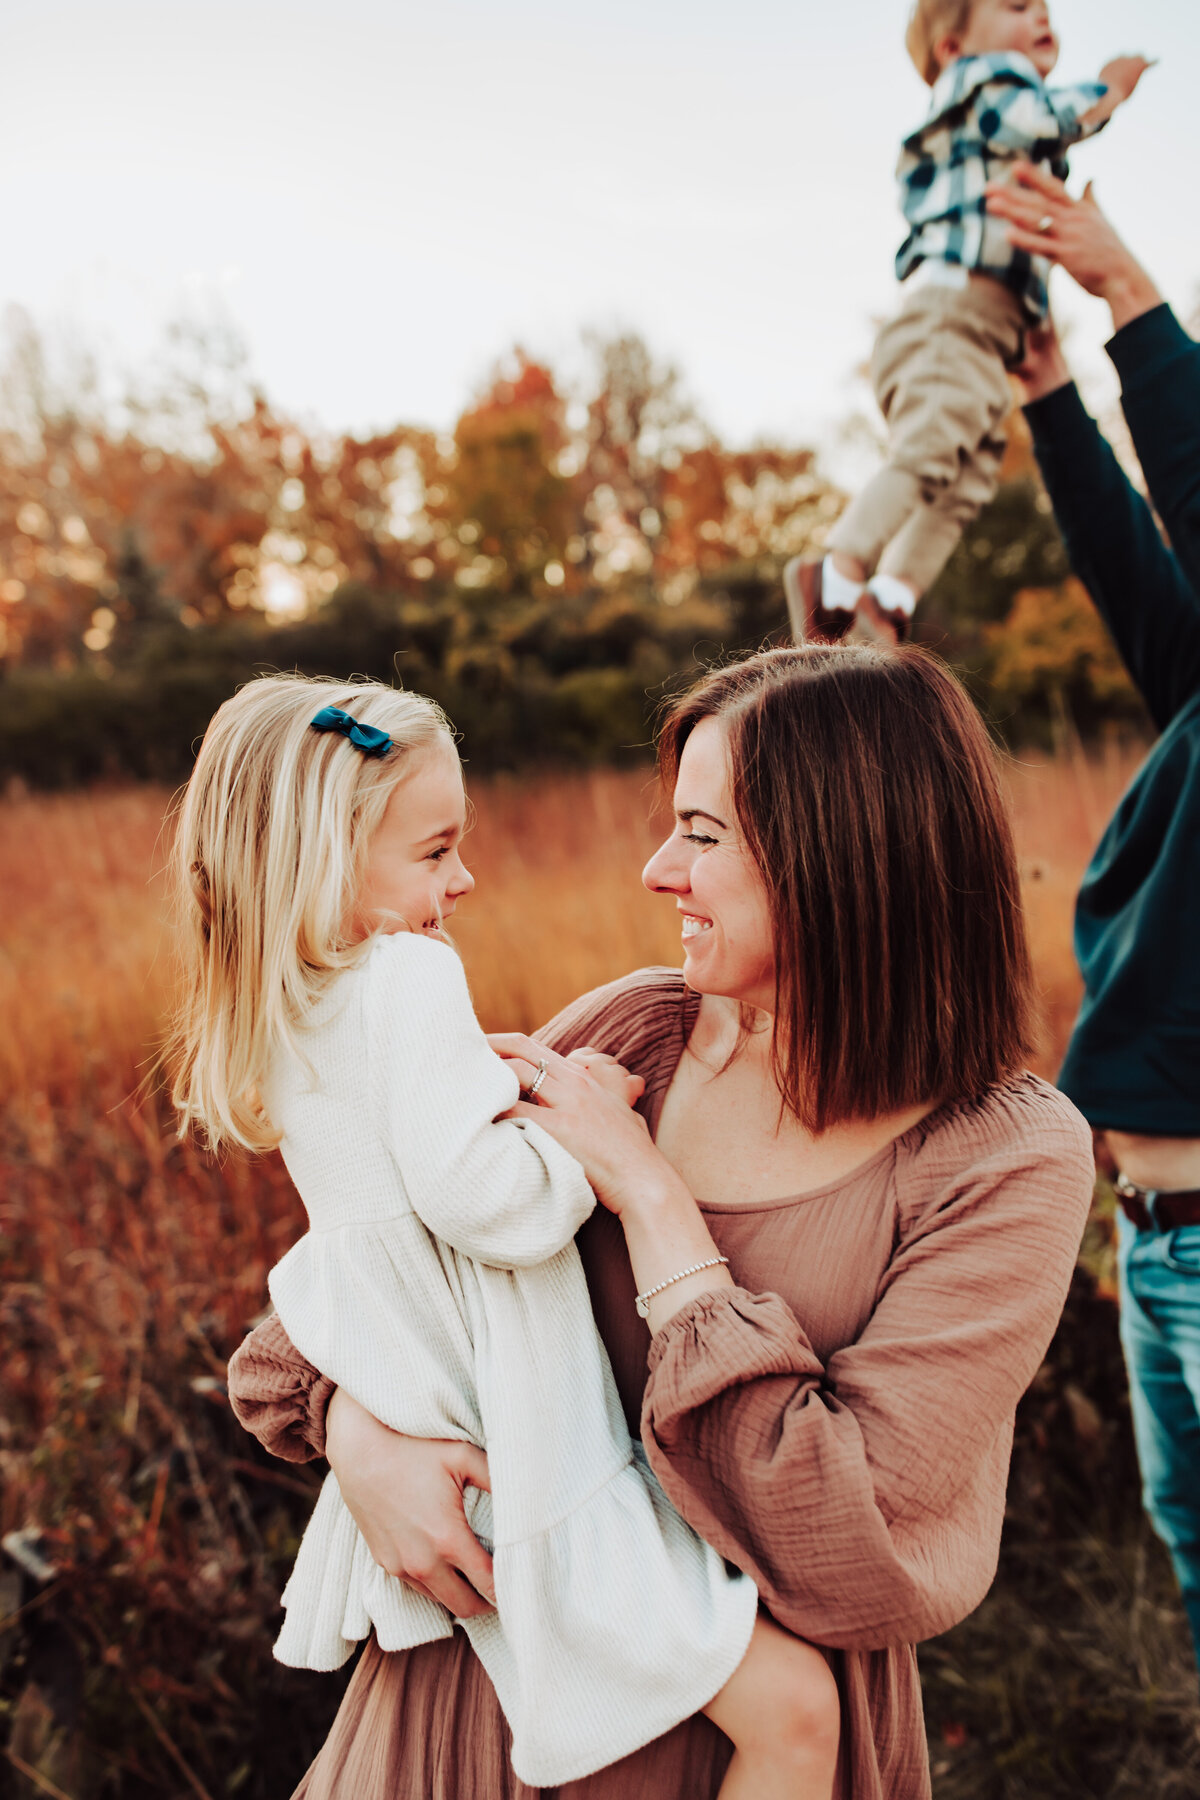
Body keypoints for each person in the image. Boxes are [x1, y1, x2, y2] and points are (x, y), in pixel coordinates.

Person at [227, 644, 1096, 1800]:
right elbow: (366, 1279)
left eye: (704, 833)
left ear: (846, 856)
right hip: (472, 1712)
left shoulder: (1005, 1157)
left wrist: (653, 1202)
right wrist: (360, 1439)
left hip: (747, 1745)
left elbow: (853, 1546)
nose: (655, 870)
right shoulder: (634, 1035)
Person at [170, 675, 841, 1797]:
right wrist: (589, 1138)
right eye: (435, 854)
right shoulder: (408, 975)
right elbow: (493, 1205)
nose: (463, 881)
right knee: (795, 1715)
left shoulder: (291, 1008)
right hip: (523, 1439)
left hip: (425, 1422)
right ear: (330, 857)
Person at [985, 160, 1200, 1670]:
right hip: (1157, 1244)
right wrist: (1057, 396)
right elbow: (1140, 580)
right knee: (1194, 1560)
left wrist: (1133, 300)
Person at [783, 0, 1151, 648]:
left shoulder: (997, 112)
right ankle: (835, 566)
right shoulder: (986, 82)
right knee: (931, 447)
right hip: (949, 319)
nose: (1040, 16)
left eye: (1043, 8)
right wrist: (1110, 89)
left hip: (985, 339)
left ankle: (887, 603)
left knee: (968, 478)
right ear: (952, 49)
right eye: (1016, 6)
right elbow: (1043, 117)